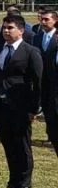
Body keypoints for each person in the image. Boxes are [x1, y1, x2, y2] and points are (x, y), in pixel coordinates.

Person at [0, 13, 42, 188]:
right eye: (4, 27)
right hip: (1, 106)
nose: (6, 30)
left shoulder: (30, 52)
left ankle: (24, 185)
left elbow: (37, 84)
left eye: (10, 27)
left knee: (22, 147)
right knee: (8, 145)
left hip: (20, 107)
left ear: (21, 30)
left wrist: (33, 109)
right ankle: (12, 183)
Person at [35, 8, 58, 148]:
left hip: (55, 81)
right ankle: (51, 134)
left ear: (55, 21)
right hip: (43, 81)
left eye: (46, 19)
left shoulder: (57, 37)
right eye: (41, 19)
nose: (43, 22)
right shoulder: (37, 37)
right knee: (48, 110)